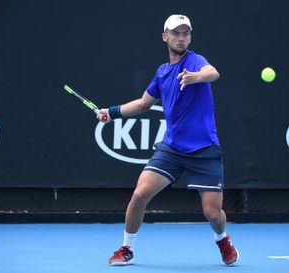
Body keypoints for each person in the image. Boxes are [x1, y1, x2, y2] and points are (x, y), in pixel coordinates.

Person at [97, 14, 239, 266]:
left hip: (204, 148)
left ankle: (222, 238)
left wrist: (196, 77)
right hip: (171, 149)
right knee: (140, 194)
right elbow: (143, 104)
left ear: (190, 37)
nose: (181, 38)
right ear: (166, 37)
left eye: (186, 33)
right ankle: (126, 249)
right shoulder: (162, 73)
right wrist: (112, 112)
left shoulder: (195, 62)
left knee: (212, 213)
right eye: (176, 33)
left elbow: (212, 72)